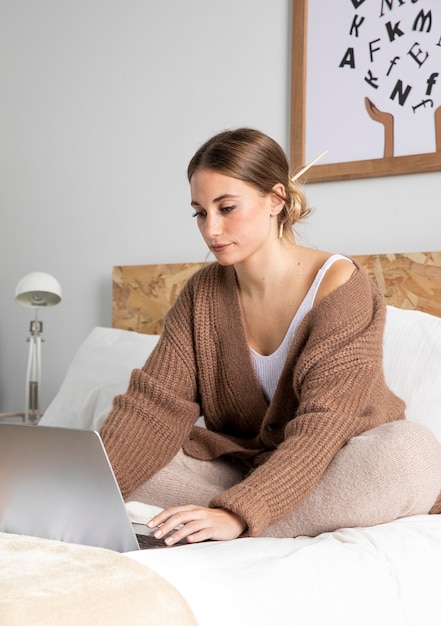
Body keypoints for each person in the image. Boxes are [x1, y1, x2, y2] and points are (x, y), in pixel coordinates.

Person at [100, 128, 441, 546]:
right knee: (133, 460)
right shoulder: (201, 294)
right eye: (200, 212)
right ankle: (228, 518)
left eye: (226, 208)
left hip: (337, 460)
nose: (211, 229)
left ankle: (232, 521)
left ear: (275, 200)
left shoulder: (340, 286)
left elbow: (325, 425)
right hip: (244, 467)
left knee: (410, 454)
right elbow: (152, 408)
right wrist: (80, 490)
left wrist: (238, 513)